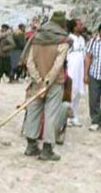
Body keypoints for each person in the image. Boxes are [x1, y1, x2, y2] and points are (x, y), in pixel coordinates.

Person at [23, 10, 69, 161]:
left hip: (37, 82)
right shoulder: (63, 40)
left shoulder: (36, 37)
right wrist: (48, 81)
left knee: (33, 111)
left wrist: (38, 79)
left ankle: (31, 146)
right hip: (54, 83)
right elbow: (58, 65)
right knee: (50, 115)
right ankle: (47, 150)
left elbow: (29, 62)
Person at [66, 18, 87, 127]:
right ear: (74, 27)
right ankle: (66, 117)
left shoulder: (82, 39)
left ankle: (74, 117)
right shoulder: (69, 39)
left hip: (80, 69)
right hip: (71, 69)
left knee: (78, 93)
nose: (82, 26)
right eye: (79, 25)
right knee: (71, 93)